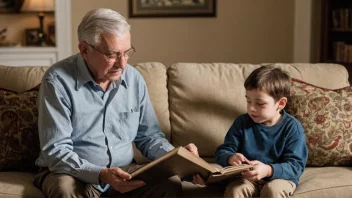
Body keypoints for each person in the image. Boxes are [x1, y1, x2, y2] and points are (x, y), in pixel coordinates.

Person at [33, 8, 198, 198]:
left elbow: (149, 137)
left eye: (126, 53)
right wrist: (101, 174)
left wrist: (179, 158)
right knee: (65, 189)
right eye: (112, 55)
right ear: (84, 50)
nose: (122, 64)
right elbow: (56, 151)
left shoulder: (134, 79)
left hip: (124, 170)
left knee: (169, 185)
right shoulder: (57, 81)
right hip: (71, 173)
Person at [193, 66, 308, 197]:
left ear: (280, 103)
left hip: (279, 178)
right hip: (246, 178)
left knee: (273, 191)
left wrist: (268, 170)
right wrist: (230, 157)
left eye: (260, 103)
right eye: (248, 101)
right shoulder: (241, 122)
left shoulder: (292, 128)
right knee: (236, 190)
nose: (251, 108)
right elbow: (222, 152)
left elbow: (296, 166)